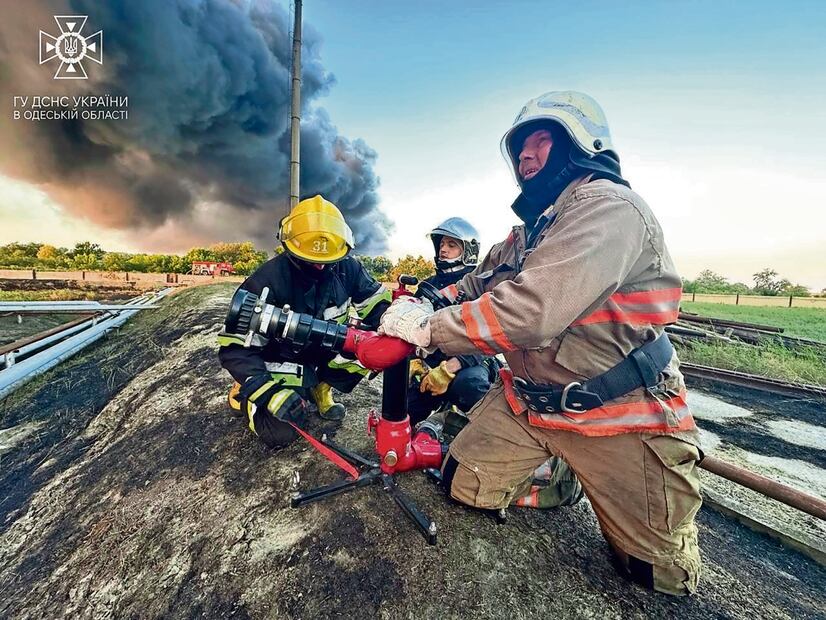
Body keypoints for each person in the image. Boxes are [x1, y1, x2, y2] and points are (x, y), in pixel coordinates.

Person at [380, 91, 702, 596]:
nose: (524, 156)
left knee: (655, 576)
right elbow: (472, 287)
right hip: (529, 403)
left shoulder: (610, 209)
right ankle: (557, 475)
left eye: (540, 141)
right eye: (518, 149)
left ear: (583, 144)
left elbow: (529, 313)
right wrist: (427, 302)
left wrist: (427, 330)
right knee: (462, 486)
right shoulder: (526, 233)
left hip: (619, 411)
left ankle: (579, 476)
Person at [218, 195, 391, 449]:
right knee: (282, 433)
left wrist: (404, 334)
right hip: (280, 359)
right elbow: (234, 349)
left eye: (327, 260)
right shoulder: (268, 280)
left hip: (322, 352)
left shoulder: (348, 269)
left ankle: (321, 389)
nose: (320, 267)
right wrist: (270, 393)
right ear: (290, 249)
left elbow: (380, 308)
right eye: (310, 260)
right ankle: (244, 394)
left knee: (374, 347)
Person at [407, 218, 499, 425]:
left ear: (468, 251)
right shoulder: (427, 286)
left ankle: (482, 435)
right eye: (441, 244)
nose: (443, 250)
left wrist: (449, 368)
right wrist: (414, 360)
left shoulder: (480, 285)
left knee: (469, 386)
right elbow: (413, 325)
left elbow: (491, 337)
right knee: (403, 406)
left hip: (470, 359)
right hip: (431, 361)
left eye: (451, 245)